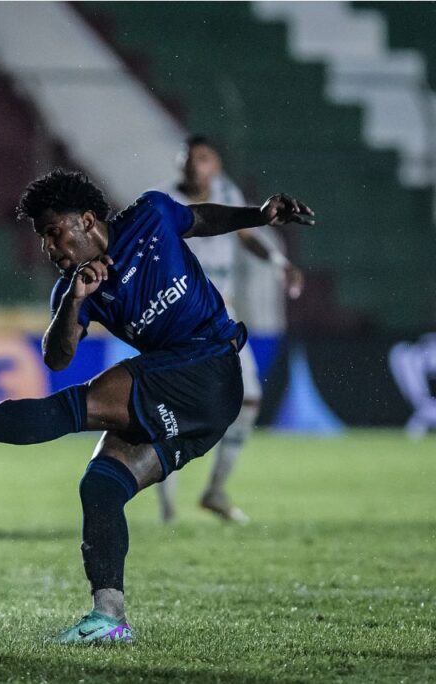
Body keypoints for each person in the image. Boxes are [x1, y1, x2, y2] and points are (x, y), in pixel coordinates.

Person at [0, 169, 313, 644]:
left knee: (74, 408)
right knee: (101, 486)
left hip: (206, 367)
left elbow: (199, 218)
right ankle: (109, 617)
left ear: (86, 221)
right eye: (42, 238)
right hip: (198, 407)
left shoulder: (152, 215)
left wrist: (259, 215)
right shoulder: (75, 289)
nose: (49, 248)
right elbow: (56, 356)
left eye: (54, 232)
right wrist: (77, 303)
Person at [152, 135, 305, 523]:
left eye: (202, 158)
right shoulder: (164, 203)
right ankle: (168, 506)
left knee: (249, 402)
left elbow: (247, 235)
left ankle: (215, 490)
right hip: (181, 322)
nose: (192, 164)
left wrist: (278, 261)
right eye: (187, 157)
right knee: (171, 410)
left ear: (215, 165)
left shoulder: (225, 192)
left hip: (223, 320)